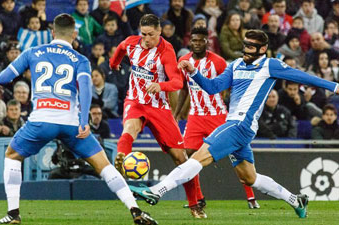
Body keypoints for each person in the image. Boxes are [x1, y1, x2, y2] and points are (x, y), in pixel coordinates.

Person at [129, 29, 339, 219]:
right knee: (250, 178)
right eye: (245, 44)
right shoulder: (236, 65)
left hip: (240, 125)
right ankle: (296, 200)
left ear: (262, 49)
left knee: (198, 157)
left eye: (251, 46)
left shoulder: (270, 65)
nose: (245, 49)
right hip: (237, 127)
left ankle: (157, 191)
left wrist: (334, 86)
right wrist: (194, 72)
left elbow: (302, 77)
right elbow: (213, 87)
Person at [0, 13, 157, 225]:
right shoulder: (80, 59)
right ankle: (135, 210)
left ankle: (13, 214)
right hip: (72, 124)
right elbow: (86, 89)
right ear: (74, 34)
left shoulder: (33, 52)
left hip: (41, 120)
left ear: (52, 32)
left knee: (12, 155)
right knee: (104, 166)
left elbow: (3, 78)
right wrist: (83, 121)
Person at [109, 14, 202, 218]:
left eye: (151, 34)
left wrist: (160, 85)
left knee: (181, 158)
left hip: (159, 108)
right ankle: (122, 157)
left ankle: (195, 204)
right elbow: (120, 49)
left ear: (159, 32)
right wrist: (113, 63)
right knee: (129, 129)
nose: (146, 39)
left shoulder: (166, 51)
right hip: (135, 101)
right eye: (143, 34)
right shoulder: (133, 43)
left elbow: (177, 83)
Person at [175, 26, 260, 209]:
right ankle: (199, 198)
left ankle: (251, 197)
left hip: (218, 115)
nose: (197, 43)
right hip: (196, 116)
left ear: (207, 42)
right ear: (190, 41)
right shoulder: (183, 61)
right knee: (188, 154)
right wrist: (176, 114)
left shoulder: (219, 62)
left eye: (201, 40)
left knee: (234, 153)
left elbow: (232, 84)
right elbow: (183, 89)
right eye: (194, 40)